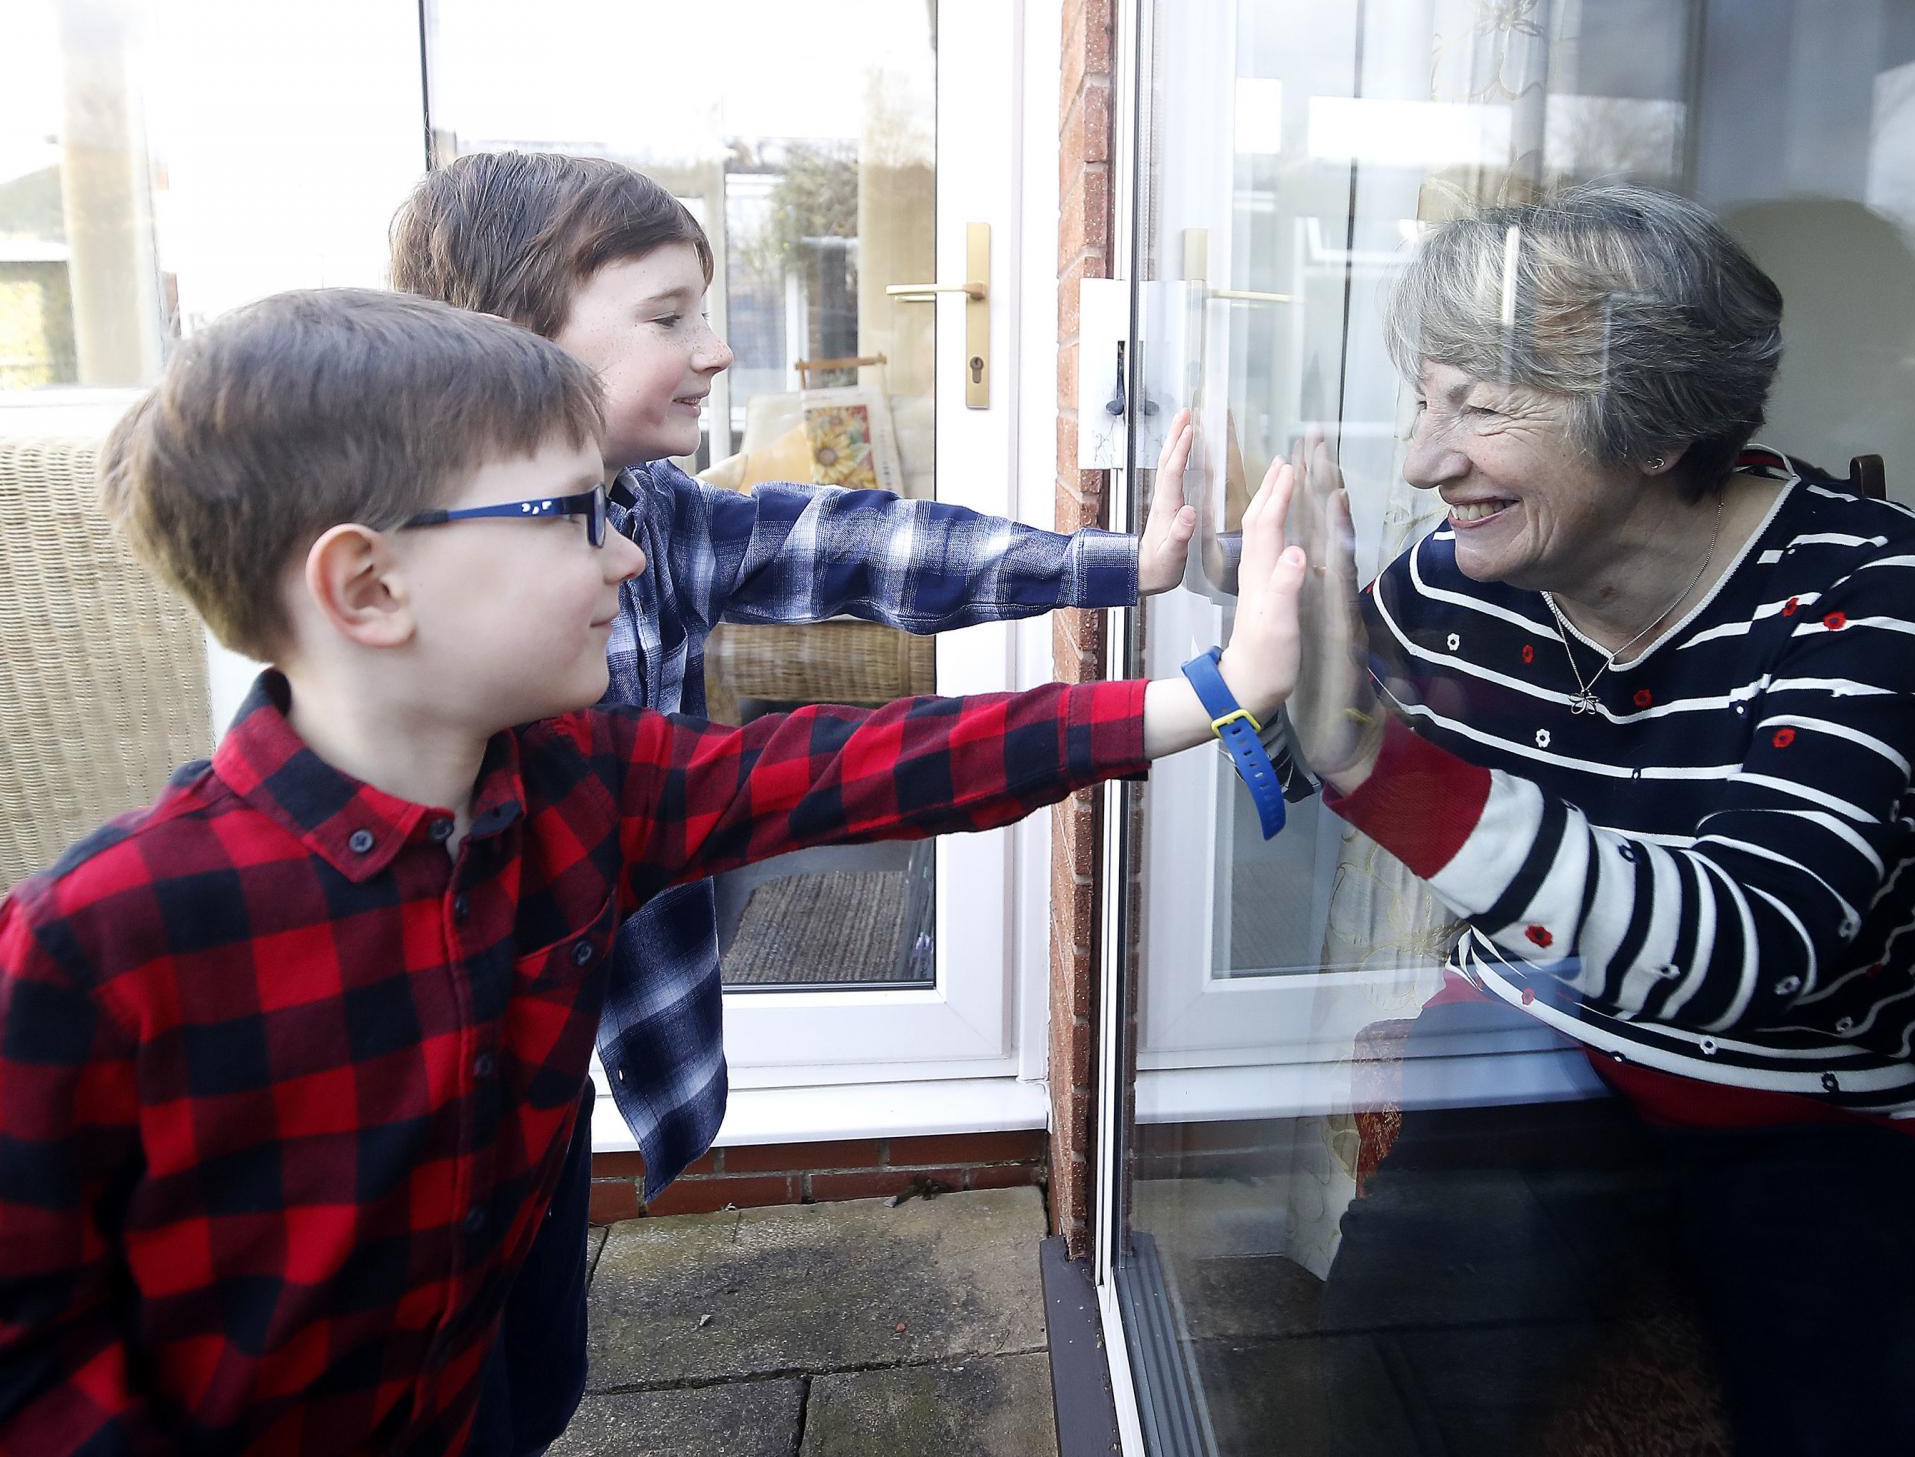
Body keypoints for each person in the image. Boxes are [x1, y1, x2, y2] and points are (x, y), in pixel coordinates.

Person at [0, 287, 1308, 1454]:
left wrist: (1214, 690)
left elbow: (866, 763)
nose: (628, 554)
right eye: (574, 517)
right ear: (368, 584)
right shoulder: (100, 948)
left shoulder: (584, 783)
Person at [386, 151, 1201, 1450]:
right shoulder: (430, 612)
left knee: (535, 1381)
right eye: (668, 318)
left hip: (540, 1087)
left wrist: (1116, 567)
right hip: (409, 1113)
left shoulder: (651, 510)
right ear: (516, 339)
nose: (714, 353)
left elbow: (861, 549)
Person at [1283, 184, 1915, 1456]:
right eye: (1425, 399)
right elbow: (1313, 746)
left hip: (1815, 1101)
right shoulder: (1454, 583)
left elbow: (1753, 949)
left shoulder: (1867, 579)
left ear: (1655, 421)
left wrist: (1375, 763)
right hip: (1529, 1043)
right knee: (1377, 1393)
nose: (1422, 459)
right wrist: (1279, 640)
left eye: (1482, 407)